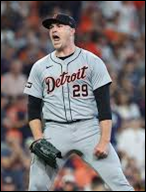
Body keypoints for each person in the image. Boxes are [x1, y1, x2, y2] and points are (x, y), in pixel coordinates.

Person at [24, 13, 134, 191]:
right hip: (55, 131)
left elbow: (105, 107)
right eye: (51, 28)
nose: (53, 30)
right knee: (36, 187)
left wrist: (104, 140)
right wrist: (38, 138)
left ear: (72, 30)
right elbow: (33, 108)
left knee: (120, 184)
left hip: (88, 129)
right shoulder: (40, 67)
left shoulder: (92, 61)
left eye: (58, 26)